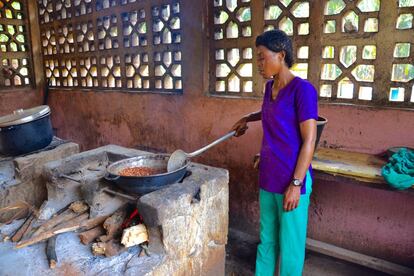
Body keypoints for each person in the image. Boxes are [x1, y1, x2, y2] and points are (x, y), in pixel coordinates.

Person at [231, 30, 318, 276]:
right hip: (269, 176)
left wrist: (296, 184)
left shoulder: (303, 90)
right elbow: (273, 116)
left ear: (281, 55)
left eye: (261, 57)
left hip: (292, 180)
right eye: (256, 58)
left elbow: (309, 140)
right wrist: (248, 118)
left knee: (290, 246)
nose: (258, 64)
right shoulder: (270, 88)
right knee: (266, 239)